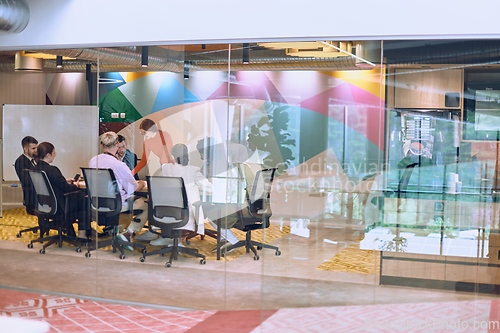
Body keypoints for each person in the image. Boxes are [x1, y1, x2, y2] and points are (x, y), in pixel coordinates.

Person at [139, 143, 213, 246]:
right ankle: (176, 240)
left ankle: (167, 237)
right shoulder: (193, 170)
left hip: (165, 211)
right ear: (187, 155)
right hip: (184, 214)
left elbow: (159, 185)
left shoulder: (166, 168)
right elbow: (209, 188)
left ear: (173, 156)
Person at [88, 132, 148, 250]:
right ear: (117, 145)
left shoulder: (92, 161)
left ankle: (118, 231)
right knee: (146, 203)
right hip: (117, 204)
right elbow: (133, 188)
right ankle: (128, 233)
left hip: (97, 203)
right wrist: (142, 183)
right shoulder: (119, 165)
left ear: (102, 145)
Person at [35, 142, 89, 238]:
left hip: (46, 205)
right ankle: (82, 236)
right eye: (54, 153)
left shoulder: (36, 169)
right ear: (48, 155)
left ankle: (70, 231)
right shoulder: (52, 169)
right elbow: (67, 189)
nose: (54, 156)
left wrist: (65, 181)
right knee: (84, 200)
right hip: (60, 206)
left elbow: (50, 184)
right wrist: (76, 184)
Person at [14, 136, 38, 214]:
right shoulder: (20, 161)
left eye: (36, 148)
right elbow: (26, 181)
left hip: (39, 198)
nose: (36, 150)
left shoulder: (35, 160)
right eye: (33, 148)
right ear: (25, 149)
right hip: (32, 199)